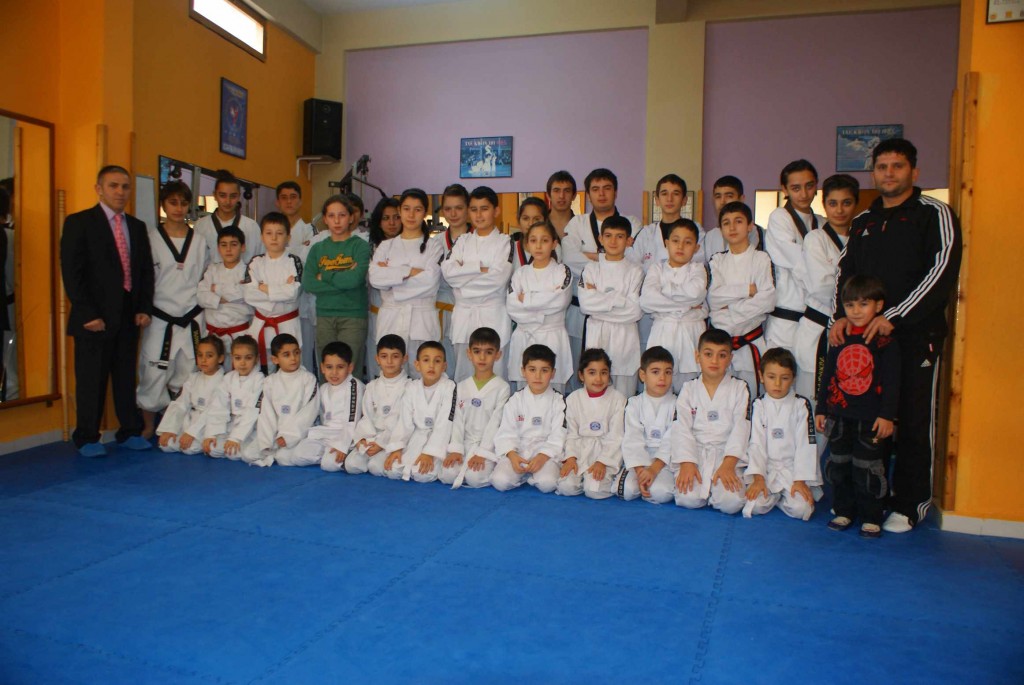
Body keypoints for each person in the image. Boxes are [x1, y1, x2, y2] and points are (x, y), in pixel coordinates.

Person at [830, 138, 961, 533]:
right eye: (882, 166)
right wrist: (841, 316)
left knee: (914, 418)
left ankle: (910, 503)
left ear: (913, 172)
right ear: (873, 173)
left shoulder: (933, 213)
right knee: (870, 418)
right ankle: (870, 498)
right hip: (866, 340)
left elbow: (942, 270)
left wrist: (895, 316)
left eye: (897, 166)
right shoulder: (864, 222)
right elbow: (845, 273)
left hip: (915, 336)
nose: (889, 173)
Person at [60, 165, 154, 456]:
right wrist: (87, 313)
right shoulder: (80, 223)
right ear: (99, 189)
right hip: (94, 317)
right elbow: (72, 273)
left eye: (125, 186)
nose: (120, 192)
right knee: (92, 380)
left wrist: (143, 308)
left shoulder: (136, 227)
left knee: (125, 377)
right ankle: (87, 436)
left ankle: (130, 430)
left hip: (128, 314)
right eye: (113, 186)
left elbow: (144, 272)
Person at [819, 276, 901, 537]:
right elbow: (828, 375)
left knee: (868, 469)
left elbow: (892, 382)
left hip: (870, 419)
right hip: (839, 415)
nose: (855, 311)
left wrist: (887, 416)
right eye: (850, 305)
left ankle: (871, 516)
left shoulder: (885, 342)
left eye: (863, 304)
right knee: (839, 466)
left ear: (878, 306)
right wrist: (821, 409)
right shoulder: (839, 336)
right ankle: (844, 510)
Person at [138, 181, 209, 437]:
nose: (178, 208)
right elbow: (143, 281)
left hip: (191, 317)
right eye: (173, 202)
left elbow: (204, 278)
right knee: (153, 374)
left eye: (183, 203)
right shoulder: (150, 240)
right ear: (163, 205)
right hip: (160, 318)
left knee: (189, 374)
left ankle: (180, 424)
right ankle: (149, 425)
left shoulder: (199, 241)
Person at [561, 169, 642, 388]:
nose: (602, 194)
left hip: (623, 330)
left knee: (622, 387)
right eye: (595, 189)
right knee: (588, 378)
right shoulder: (577, 224)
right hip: (583, 314)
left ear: (616, 192)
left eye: (607, 188)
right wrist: (604, 260)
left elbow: (633, 257)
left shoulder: (632, 222)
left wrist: (590, 255)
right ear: (588, 195)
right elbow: (569, 258)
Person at [671, 328, 751, 514]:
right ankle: (705, 486)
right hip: (696, 453)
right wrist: (687, 462)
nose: (714, 361)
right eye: (708, 354)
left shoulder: (739, 388)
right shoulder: (688, 389)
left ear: (730, 359)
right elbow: (681, 427)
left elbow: (741, 427)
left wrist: (729, 464)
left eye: (721, 355)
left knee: (731, 504)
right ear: (697, 356)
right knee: (687, 498)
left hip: (726, 454)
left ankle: (717, 488)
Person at [440, 186, 514, 382]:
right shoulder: (462, 241)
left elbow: (497, 279)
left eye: (484, 209)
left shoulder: (505, 242)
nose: (479, 215)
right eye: (474, 209)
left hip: (493, 315)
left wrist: (463, 280)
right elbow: (448, 273)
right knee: (464, 375)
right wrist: (480, 268)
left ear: (496, 211)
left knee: (495, 376)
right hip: (464, 316)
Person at [794, 174, 856, 403]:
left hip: (850, 329)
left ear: (855, 204)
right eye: (833, 203)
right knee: (812, 402)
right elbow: (822, 286)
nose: (839, 210)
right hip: (818, 330)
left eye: (846, 203)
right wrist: (857, 300)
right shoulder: (816, 239)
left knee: (845, 399)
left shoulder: (861, 239)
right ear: (824, 205)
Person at [368, 188, 443, 378]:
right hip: (391, 318)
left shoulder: (433, 246)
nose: (411, 215)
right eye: (407, 209)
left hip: (421, 320)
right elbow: (375, 278)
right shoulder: (386, 246)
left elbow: (430, 282)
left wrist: (392, 278)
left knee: (423, 378)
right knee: (391, 377)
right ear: (400, 211)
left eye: (417, 209)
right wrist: (410, 271)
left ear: (424, 213)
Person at [742, 347, 821, 521]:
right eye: (771, 377)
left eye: (784, 378)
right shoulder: (758, 405)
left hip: (793, 471)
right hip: (766, 469)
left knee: (802, 510)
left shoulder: (801, 405)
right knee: (755, 506)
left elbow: (805, 444)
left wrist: (800, 480)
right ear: (761, 377)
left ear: (793, 379)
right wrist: (758, 478)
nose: (777, 384)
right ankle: (774, 495)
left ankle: (783, 495)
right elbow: (756, 444)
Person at [707, 201, 776, 398]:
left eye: (738, 221)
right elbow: (713, 299)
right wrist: (747, 290)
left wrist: (730, 310)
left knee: (752, 399)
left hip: (751, 341)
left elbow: (768, 300)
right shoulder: (717, 260)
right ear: (721, 229)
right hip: (722, 344)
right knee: (722, 400)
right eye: (726, 223)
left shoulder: (761, 258)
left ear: (750, 226)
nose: (732, 227)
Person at [302, 194, 371, 376]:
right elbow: (309, 283)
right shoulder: (317, 249)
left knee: (349, 371)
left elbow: (355, 280)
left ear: (351, 217)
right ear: (325, 219)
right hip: (324, 315)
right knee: (328, 372)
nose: (337, 221)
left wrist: (324, 275)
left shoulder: (360, 246)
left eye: (342, 215)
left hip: (353, 316)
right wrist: (344, 278)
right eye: (331, 216)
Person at [578, 216, 644, 396]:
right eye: (608, 236)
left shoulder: (635, 271)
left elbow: (635, 311)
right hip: (597, 338)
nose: (613, 241)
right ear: (600, 239)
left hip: (625, 342)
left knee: (623, 398)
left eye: (619, 236)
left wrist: (599, 302)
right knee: (595, 398)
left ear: (629, 241)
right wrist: (620, 300)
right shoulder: (591, 269)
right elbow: (585, 305)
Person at [640, 219, 708, 392]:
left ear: (696, 247)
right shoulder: (656, 269)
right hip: (663, 331)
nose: (680, 246)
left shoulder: (698, 269)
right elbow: (647, 301)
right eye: (676, 240)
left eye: (688, 242)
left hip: (691, 333)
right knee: (659, 388)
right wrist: (686, 306)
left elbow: (696, 293)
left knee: (691, 390)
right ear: (666, 243)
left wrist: (665, 291)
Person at [765, 159, 824, 356]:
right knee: (780, 374)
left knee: (810, 374)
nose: (804, 194)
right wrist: (822, 273)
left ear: (816, 185)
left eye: (809, 186)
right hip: (785, 319)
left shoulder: (823, 224)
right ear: (785, 189)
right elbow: (798, 261)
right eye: (796, 188)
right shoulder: (779, 217)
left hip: (815, 319)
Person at [506, 220, 573, 392]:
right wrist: (544, 304)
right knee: (524, 393)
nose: (538, 246)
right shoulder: (520, 273)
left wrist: (527, 298)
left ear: (554, 243)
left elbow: (559, 301)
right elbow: (512, 307)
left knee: (554, 392)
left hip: (552, 336)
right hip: (525, 337)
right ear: (527, 244)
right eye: (533, 240)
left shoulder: (562, 271)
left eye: (544, 240)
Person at [441, 327, 511, 489]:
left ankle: (493, 468)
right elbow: (457, 420)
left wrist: (482, 452)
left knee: (474, 477)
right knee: (447, 474)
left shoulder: (502, 387)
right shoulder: (461, 386)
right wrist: (456, 449)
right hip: (465, 443)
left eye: (489, 352)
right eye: (477, 351)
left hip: (488, 446)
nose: (482, 357)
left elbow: (496, 423)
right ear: (469, 354)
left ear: (498, 355)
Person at [490, 344, 565, 493]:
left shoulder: (558, 401)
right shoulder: (515, 400)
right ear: (523, 371)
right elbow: (506, 432)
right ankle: (523, 474)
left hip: (545, 453)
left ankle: (533, 475)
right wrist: (512, 455)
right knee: (500, 482)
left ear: (553, 373)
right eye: (532, 370)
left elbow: (559, 434)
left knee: (547, 484)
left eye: (544, 370)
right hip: (519, 450)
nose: (538, 376)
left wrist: (543, 456)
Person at [381, 341, 457, 482]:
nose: (431, 365)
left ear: (444, 366)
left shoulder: (450, 387)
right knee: (392, 470)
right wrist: (397, 447)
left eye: (437, 361)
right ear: (417, 365)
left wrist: (429, 453)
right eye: (426, 360)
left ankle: (432, 457)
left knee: (423, 475)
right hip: (416, 436)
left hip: (439, 439)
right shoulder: (411, 387)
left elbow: (445, 423)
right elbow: (404, 421)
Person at [557, 348, 627, 499]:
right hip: (580, 451)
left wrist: (602, 461)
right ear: (581, 375)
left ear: (609, 374)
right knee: (566, 487)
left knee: (594, 491)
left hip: (606, 452)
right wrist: (571, 457)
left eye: (603, 372)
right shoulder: (573, 399)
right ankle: (583, 478)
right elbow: (571, 434)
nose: (598, 379)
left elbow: (616, 436)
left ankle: (615, 477)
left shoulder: (618, 399)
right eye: (592, 372)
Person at [242, 212, 304, 372]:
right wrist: (281, 290)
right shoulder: (255, 262)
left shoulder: (293, 261)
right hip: (261, 325)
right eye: (269, 233)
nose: (274, 238)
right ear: (262, 237)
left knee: (289, 371)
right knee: (259, 372)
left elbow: (293, 293)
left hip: (287, 324)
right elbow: (249, 294)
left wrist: (265, 288)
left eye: (279, 233)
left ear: (288, 237)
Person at [293, 341, 365, 472]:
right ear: (322, 368)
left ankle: (348, 455)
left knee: (329, 465)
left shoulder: (354, 386)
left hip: (347, 435)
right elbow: (317, 416)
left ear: (350, 368)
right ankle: (327, 455)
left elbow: (352, 419)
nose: (334, 372)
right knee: (298, 455)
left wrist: (343, 445)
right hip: (325, 434)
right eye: (329, 367)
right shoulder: (323, 388)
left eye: (340, 367)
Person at [619, 346, 677, 504]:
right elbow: (632, 438)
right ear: (643, 375)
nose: (662, 378)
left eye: (668, 372)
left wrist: (654, 469)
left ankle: (654, 480)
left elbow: (672, 439)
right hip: (639, 458)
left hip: (664, 460)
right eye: (655, 372)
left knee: (661, 493)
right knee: (627, 491)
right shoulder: (634, 403)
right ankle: (640, 477)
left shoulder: (677, 403)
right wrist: (640, 471)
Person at [350, 334, 411, 476]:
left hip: (394, 439)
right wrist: (362, 439)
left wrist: (381, 443)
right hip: (372, 437)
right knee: (352, 465)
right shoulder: (372, 386)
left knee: (376, 468)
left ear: (405, 358)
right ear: (377, 359)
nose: (389, 361)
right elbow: (366, 416)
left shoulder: (410, 386)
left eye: (395, 356)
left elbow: (402, 422)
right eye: (384, 356)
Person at [256, 333, 319, 467]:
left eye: (296, 353)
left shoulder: (308, 379)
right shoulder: (269, 382)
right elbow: (266, 414)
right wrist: (267, 441)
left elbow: (308, 413)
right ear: (275, 359)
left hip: (299, 434)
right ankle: (273, 449)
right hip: (276, 435)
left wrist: (288, 436)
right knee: (248, 454)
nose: (293, 358)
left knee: (284, 458)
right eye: (286, 355)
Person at [156, 335, 226, 454]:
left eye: (209, 356)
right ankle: (186, 437)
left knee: (189, 448)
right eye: (200, 355)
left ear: (220, 358)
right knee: (166, 444)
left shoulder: (224, 381)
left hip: (211, 423)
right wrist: (170, 429)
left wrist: (192, 432)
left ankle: (202, 440)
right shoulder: (193, 378)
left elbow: (213, 411)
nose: (203, 360)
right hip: (191, 419)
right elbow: (181, 403)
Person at [276, 180, 320, 373]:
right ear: (278, 202)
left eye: (293, 197)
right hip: (277, 304)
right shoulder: (272, 230)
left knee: (306, 351)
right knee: (281, 353)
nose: (289, 202)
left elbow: (310, 265)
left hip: (304, 300)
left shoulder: (311, 231)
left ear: (300, 201)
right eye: (284, 198)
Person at [203, 335, 265, 463]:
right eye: (238, 358)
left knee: (234, 454)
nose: (242, 363)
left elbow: (252, 411)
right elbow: (218, 407)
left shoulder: (260, 380)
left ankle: (251, 447)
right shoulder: (228, 378)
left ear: (257, 358)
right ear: (231, 358)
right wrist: (211, 434)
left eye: (248, 358)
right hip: (231, 424)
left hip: (252, 427)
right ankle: (233, 444)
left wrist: (236, 438)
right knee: (212, 449)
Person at [197, 226, 253, 367]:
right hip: (213, 333)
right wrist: (221, 298)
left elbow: (245, 293)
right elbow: (201, 297)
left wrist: (216, 289)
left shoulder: (249, 270)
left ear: (243, 247)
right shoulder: (212, 269)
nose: (228, 249)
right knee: (213, 374)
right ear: (218, 248)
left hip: (239, 333)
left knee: (240, 372)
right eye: (223, 245)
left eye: (233, 244)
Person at [434, 183, 472, 365]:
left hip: (470, 310)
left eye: (459, 208)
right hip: (442, 308)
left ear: (468, 208)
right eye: (448, 209)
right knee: (445, 364)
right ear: (442, 211)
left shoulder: (479, 239)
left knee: (469, 363)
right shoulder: (435, 242)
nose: (453, 213)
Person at [365, 198, 402, 380]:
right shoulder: (369, 248)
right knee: (379, 361)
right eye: (386, 218)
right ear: (378, 221)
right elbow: (374, 280)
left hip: (405, 311)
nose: (392, 223)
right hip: (377, 311)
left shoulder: (414, 246)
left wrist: (389, 271)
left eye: (396, 217)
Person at [193, 169, 263, 265]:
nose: (228, 201)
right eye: (223, 195)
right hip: (210, 274)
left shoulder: (251, 226)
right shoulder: (201, 226)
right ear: (215, 195)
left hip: (243, 274)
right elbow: (196, 261)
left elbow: (260, 260)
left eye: (233, 196)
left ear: (239, 196)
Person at [629, 174, 696, 271]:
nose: (669, 199)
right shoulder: (646, 233)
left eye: (676, 194)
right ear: (657, 200)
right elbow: (633, 266)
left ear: (684, 200)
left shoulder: (695, 232)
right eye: (664, 194)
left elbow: (697, 265)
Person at [702, 176, 763, 261]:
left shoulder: (761, 235)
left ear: (741, 199)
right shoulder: (709, 237)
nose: (722, 201)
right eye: (718, 196)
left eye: (729, 196)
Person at [513, 197, 550, 264]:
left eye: (536, 219)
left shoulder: (553, 248)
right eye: (525, 218)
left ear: (545, 221)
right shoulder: (510, 249)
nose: (530, 223)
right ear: (518, 221)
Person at [545, 170, 577, 239]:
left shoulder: (582, 226)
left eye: (567, 191)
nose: (561, 196)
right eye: (556, 191)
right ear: (548, 195)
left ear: (574, 195)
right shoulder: (540, 223)